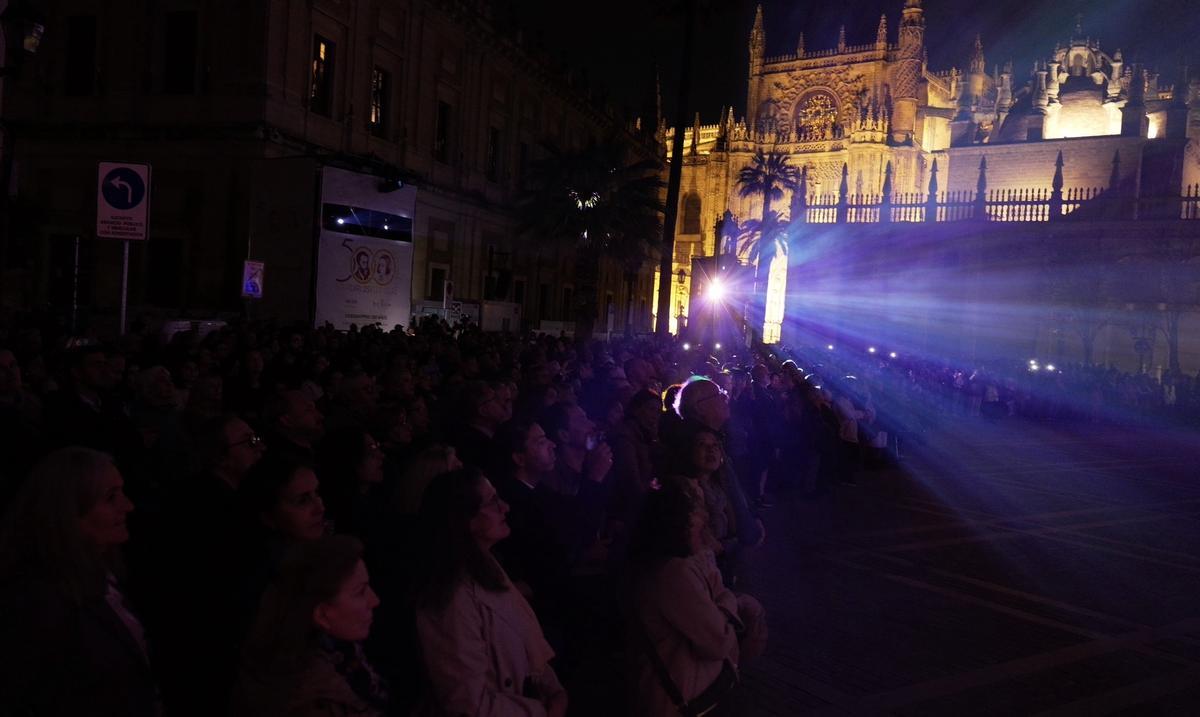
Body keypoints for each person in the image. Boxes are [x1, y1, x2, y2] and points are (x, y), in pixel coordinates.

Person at [0, 447, 158, 717]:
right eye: (111, 498)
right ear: (67, 514)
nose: (129, 506)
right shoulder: (38, 603)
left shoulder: (104, 573)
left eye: (122, 492)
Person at [414, 467, 568, 717]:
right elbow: (467, 703)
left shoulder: (487, 566)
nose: (505, 507)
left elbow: (526, 645)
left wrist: (553, 689)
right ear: (465, 519)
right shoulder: (451, 600)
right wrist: (542, 710)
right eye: (493, 501)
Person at [624, 479, 765, 717]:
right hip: (690, 695)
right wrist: (734, 602)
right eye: (697, 509)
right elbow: (718, 641)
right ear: (678, 522)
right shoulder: (673, 574)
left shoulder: (659, 565)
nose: (705, 517)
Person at [233, 535, 388, 716]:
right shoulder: (312, 704)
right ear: (322, 615)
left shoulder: (339, 650)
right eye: (360, 592)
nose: (375, 600)